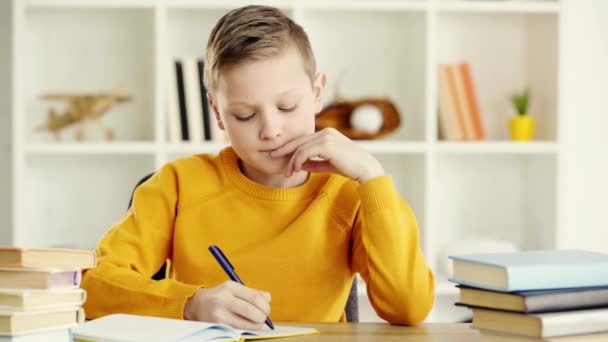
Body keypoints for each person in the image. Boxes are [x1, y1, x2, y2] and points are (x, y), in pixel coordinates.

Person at [81, 5, 434, 329]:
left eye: (287, 106)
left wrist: (372, 175)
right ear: (217, 113)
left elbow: (409, 307)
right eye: (245, 115)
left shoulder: (351, 194)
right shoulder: (178, 185)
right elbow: (92, 286)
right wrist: (190, 304)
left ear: (316, 93)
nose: (270, 130)